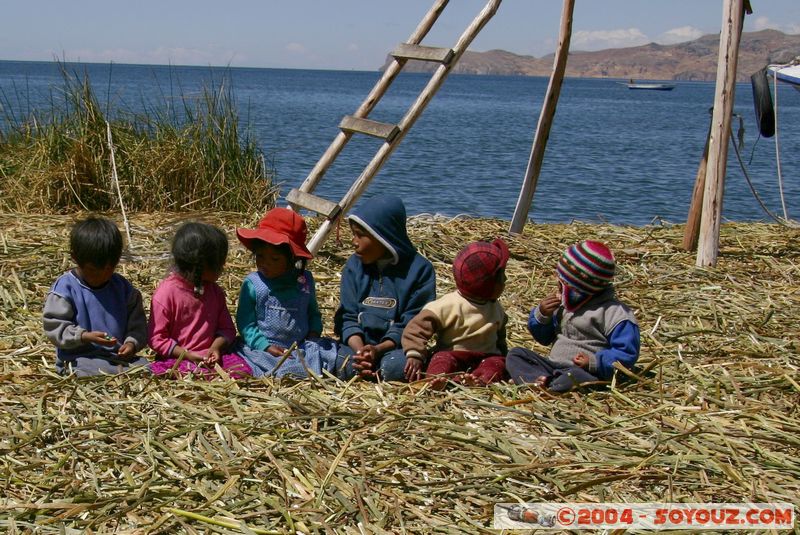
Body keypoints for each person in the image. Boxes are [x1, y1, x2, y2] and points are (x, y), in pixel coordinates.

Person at [506, 240, 640, 393]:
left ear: (578, 289)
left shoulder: (615, 313)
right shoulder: (564, 303)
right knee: (516, 354)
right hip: (552, 365)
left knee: (576, 377)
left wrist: (594, 362)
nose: (558, 288)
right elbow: (544, 338)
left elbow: (627, 353)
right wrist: (542, 315)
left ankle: (548, 384)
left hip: (585, 372)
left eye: (562, 284)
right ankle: (540, 381)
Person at [334, 194, 436, 382]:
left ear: (383, 236)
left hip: (394, 349)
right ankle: (361, 368)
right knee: (339, 361)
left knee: (396, 367)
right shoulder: (354, 267)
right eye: (353, 234)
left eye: (361, 235)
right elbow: (347, 317)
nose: (354, 242)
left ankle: (377, 371)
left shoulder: (419, 270)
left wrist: (378, 350)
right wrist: (360, 352)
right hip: (356, 346)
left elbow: (411, 323)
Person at [234, 208, 337, 378]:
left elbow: (312, 312)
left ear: (292, 259)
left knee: (327, 360)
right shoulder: (253, 284)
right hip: (264, 349)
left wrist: (313, 334)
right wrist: (263, 345)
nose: (265, 264)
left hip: (301, 347)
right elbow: (246, 323)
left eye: (274, 259)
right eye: (260, 256)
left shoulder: (304, 282)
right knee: (257, 368)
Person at [43, 216, 149, 376]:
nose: (103, 276)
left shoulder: (123, 288)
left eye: (110, 268)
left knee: (147, 367)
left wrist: (131, 343)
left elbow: (138, 325)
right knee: (85, 370)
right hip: (79, 357)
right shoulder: (65, 289)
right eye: (94, 270)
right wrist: (84, 336)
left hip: (116, 358)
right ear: (75, 258)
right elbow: (55, 327)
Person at [148, 222, 251, 379]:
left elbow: (227, 329)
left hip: (212, 359)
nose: (223, 266)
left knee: (242, 370)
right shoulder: (167, 293)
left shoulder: (215, 292)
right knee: (182, 374)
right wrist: (187, 355)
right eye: (219, 263)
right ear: (201, 266)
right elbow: (156, 339)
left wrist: (215, 347)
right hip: (178, 359)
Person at [402, 239, 509, 388]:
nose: (506, 279)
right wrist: (415, 354)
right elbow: (417, 329)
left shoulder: (496, 309)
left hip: (486, 356)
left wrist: (504, 357)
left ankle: (480, 382)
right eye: (502, 277)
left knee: (496, 365)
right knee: (441, 360)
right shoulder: (448, 305)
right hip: (453, 354)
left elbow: (500, 338)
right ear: (488, 284)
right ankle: (437, 380)